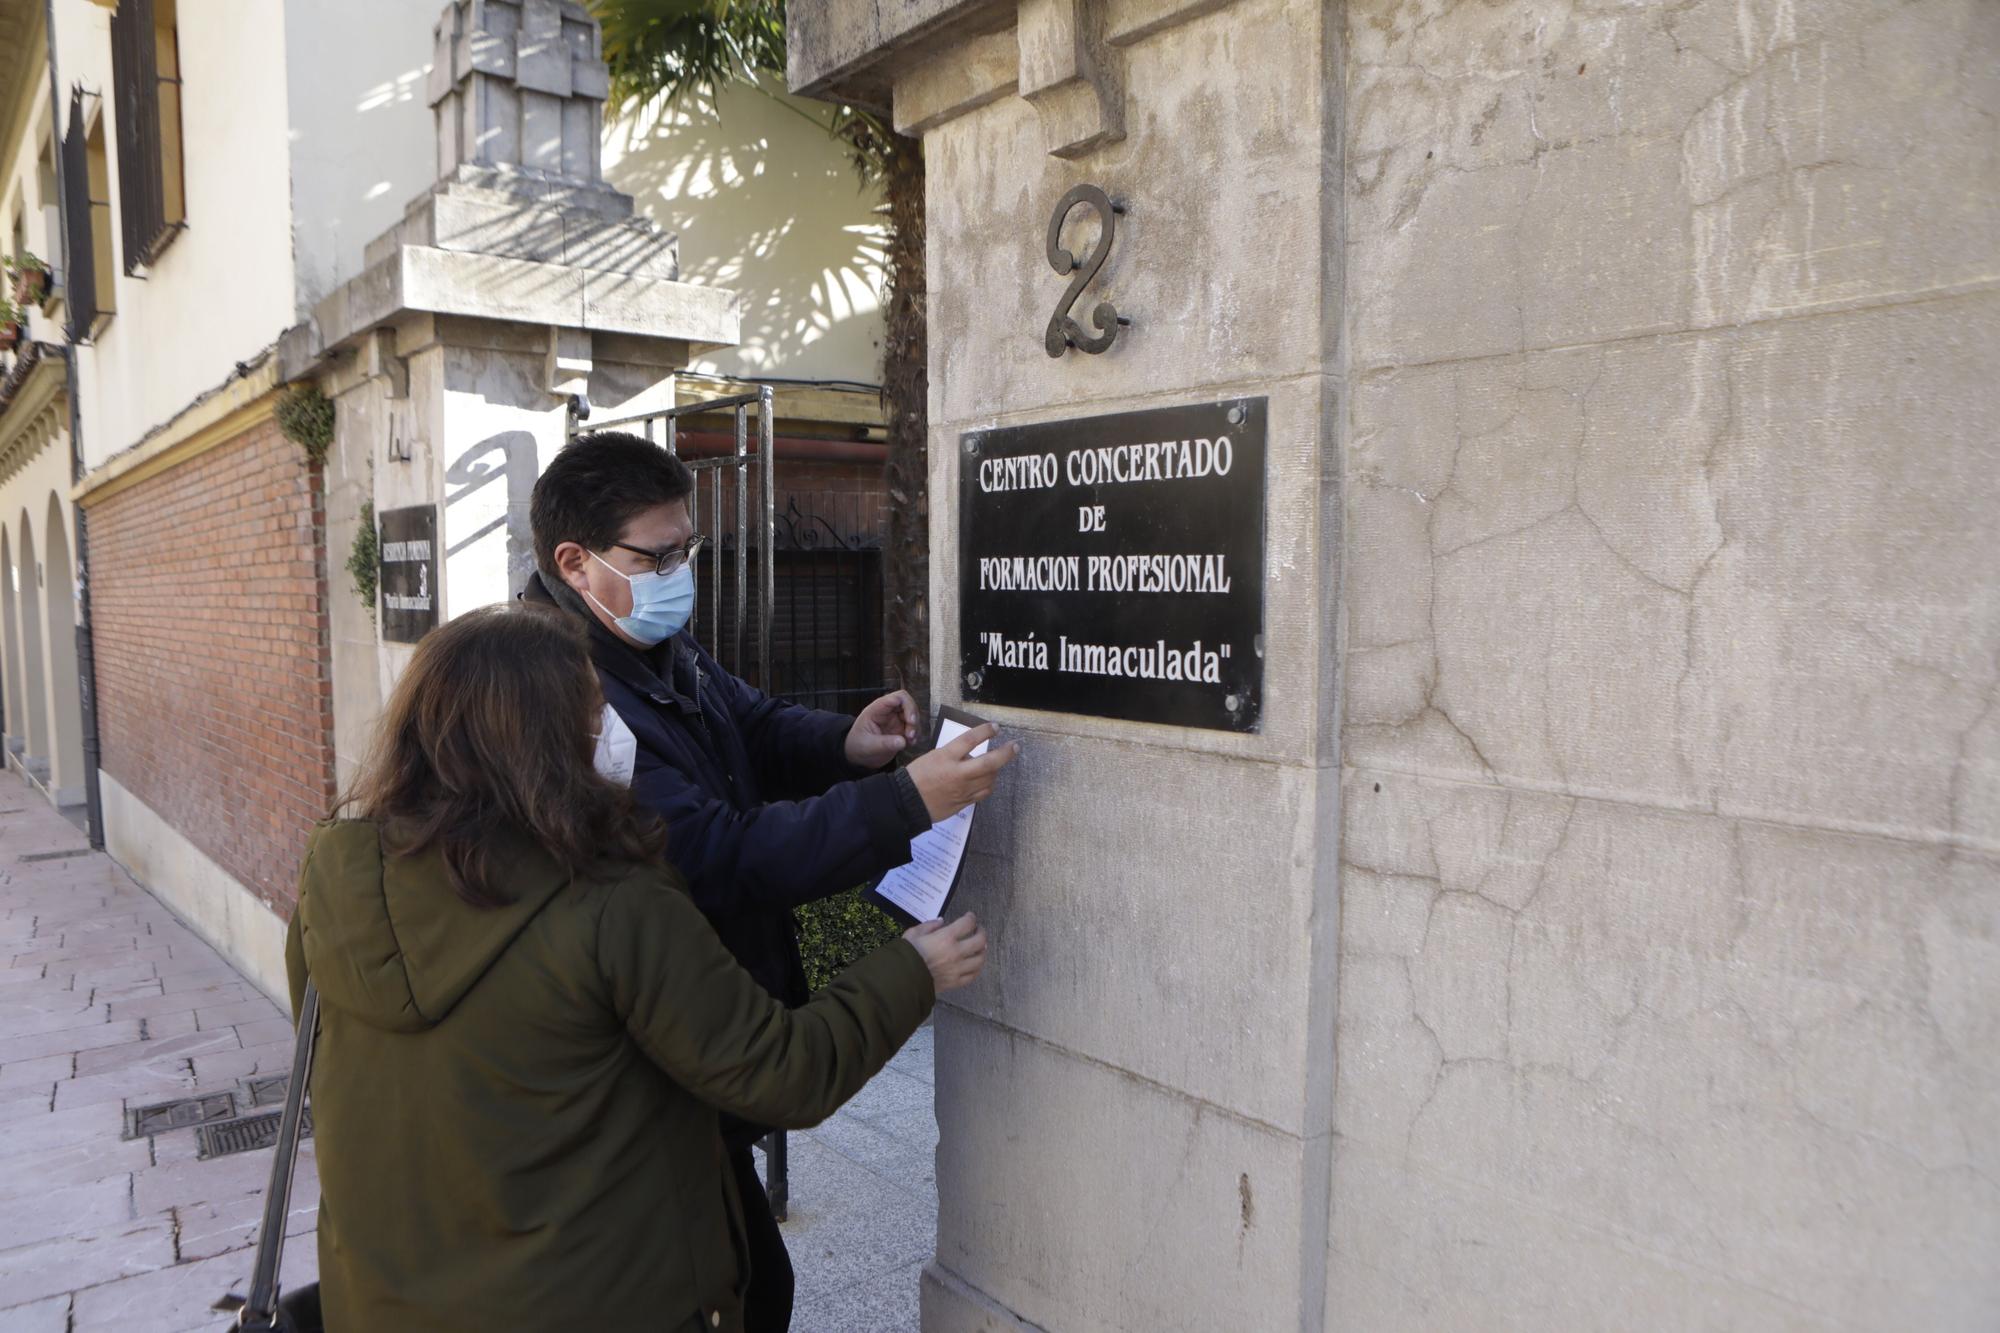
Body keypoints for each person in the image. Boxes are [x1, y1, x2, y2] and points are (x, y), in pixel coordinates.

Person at [285, 605, 988, 1332]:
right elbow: (783, 1071)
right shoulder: (610, 901)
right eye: (594, 709)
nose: (613, 730)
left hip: (383, 1296)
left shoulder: (333, 881)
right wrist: (911, 970)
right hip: (597, 1296)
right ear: (539, 741)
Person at [522, 431, 1018, 1329]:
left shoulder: (651, 646)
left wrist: (844, 741)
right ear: (575, 562)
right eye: (659, 554)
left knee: (754, 1279)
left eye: (689, 548)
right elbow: (718, 852)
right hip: (656, 1056)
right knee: (747, 1290)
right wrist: (908, 801)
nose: (681, 570)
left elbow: (746, 721)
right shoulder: (567, 696)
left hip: (705, 1038)